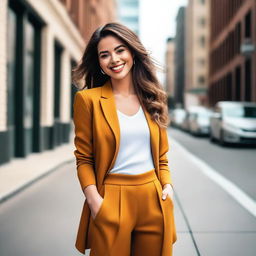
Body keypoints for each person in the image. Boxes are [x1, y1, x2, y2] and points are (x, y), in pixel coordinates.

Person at [72, 22, 177, 256]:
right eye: (104, 55)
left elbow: (161, 155)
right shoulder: (87, 100)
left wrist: (167, 185)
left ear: (132, 52)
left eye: (120, 50)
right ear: (99, 63)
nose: (114, 59)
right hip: (111, 196)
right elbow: (84, 158)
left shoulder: (154, 97)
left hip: (153, 197)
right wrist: (95, 203)